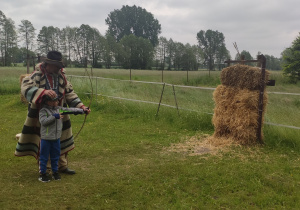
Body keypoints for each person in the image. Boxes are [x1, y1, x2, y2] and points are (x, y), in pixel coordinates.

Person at [15, 50, 91, 175]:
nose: (57, 69)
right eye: (55, 66)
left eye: (58, 66)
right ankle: (47, 168)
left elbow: (69, 93)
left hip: (60, 111)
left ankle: (62, 166)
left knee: (60, 137)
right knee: (45, 139)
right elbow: (26, 87)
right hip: (42, 112)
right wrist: (42, 92)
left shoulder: (61, 76)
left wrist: (81, 106)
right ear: (48, 64)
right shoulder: (37, 75)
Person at [39, 96, 85, 182]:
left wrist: (82, 111)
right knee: (44, 157)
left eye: (57, 100)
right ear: (48, 102)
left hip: (56, 138)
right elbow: (43, 122)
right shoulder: (43, 110)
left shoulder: (59, 109)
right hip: (46, 138)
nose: (57, 102)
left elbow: (70, 110)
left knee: (55, 156)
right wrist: (54, 116)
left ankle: (55, 172)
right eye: (55, 101)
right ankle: (43, 174)